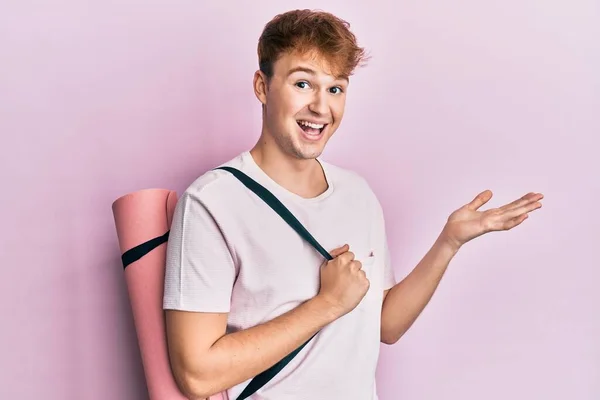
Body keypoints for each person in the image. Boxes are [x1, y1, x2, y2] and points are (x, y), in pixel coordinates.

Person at [162, 9, 544, 400]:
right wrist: (327, 304)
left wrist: (449, 242)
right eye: (302, 84)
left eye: (335, 89)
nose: (320, 107)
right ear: (262, 86)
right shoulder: (212, 203)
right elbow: (198, 376)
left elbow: (385, 326)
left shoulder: (357, 194)